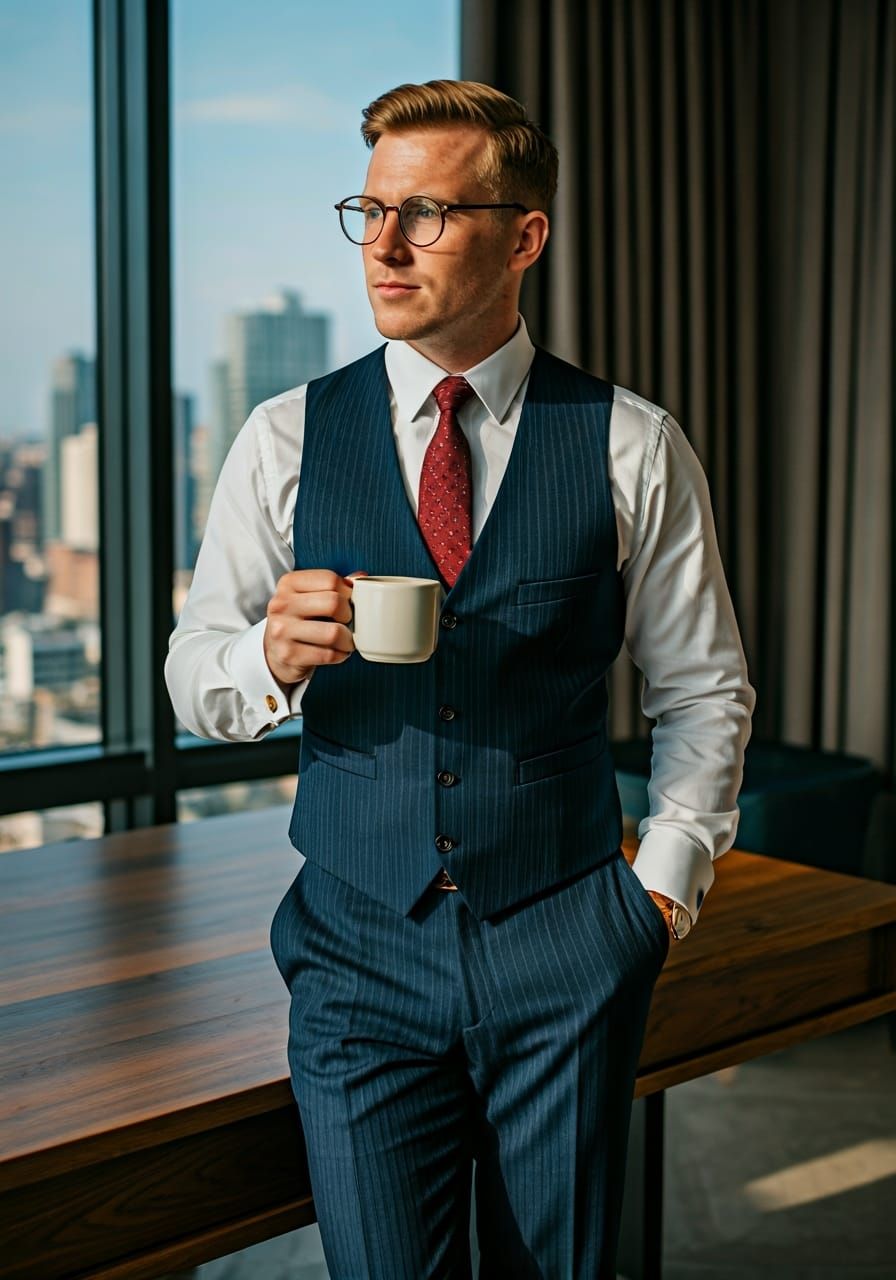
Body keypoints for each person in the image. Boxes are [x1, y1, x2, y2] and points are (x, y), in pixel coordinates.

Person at [165, 79, 755, 1279]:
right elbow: (193, 679)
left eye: (425, 212)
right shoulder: (282, 436)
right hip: (353, 950)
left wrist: (656, 893)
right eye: (367, 210)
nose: (381, 247)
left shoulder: (629, 441)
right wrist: (265, 658)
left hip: (567, 943)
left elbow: (702, 688)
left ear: (523, 235)